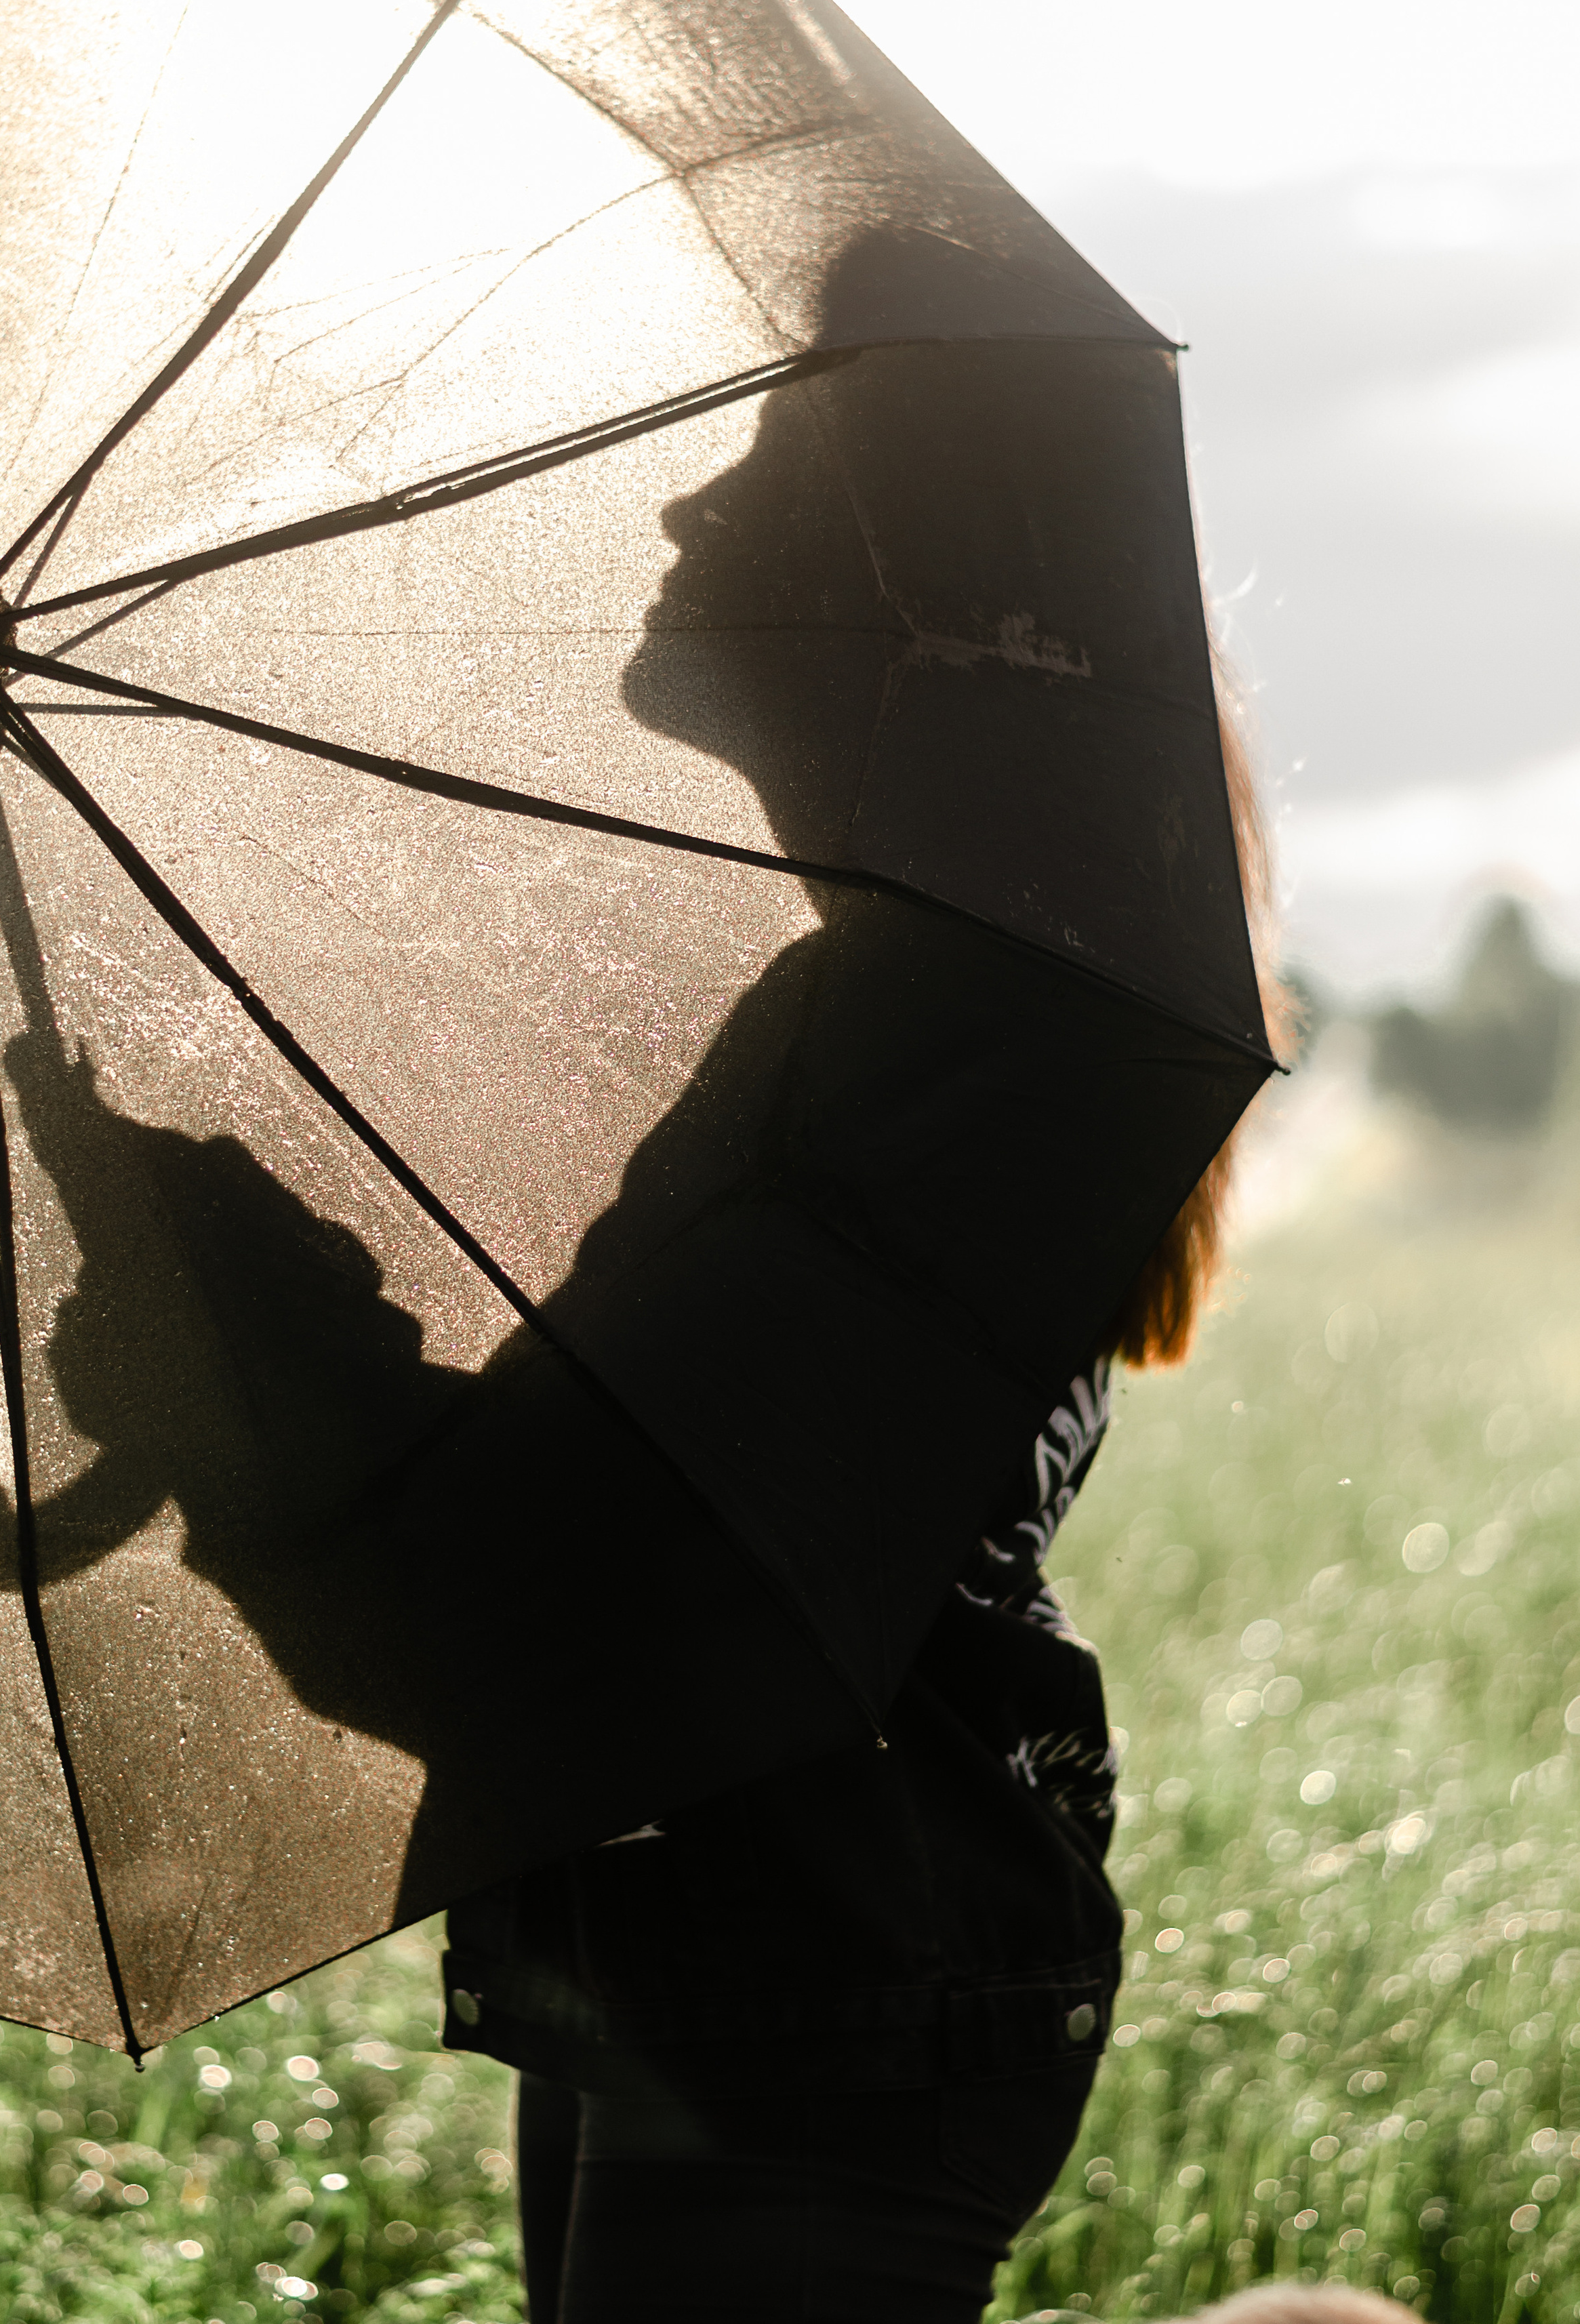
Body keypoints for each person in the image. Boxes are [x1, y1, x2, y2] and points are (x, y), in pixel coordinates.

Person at [439, 649, 1289, 2323]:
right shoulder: (912, 988)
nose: (685, 505)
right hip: (729, 1917)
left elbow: (610, 1502)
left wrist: (240, 1299)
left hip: (829, 1959)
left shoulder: (944, 1015)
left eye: (751, 466)